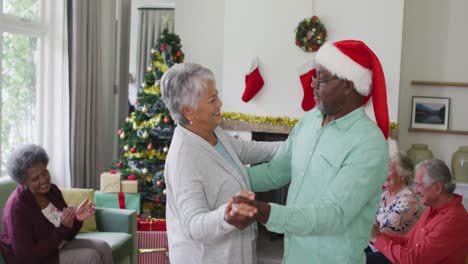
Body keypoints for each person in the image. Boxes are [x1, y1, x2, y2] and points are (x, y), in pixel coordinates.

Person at [225, 40, 390, 263]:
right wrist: (224, 178)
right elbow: (276, 171)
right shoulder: (310, 120)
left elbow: (333, 215)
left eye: (321, 78)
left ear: (348, 85)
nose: (312, 84)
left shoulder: (369, 144)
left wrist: (263, 212)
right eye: (314, 76)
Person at [160, 63, 281, 264]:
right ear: (188, 111)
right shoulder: (185, 157)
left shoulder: (213, 132)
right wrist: (226, 215)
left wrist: (293, 145)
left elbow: (247, 150)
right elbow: (194, 225)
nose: (219, 104)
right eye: (212, 99)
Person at [0, 144, 113, 264]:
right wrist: (62, 230)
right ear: (23, 182)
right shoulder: (17, 208)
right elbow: (26, 257)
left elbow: (67, 235)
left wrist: (76, 219)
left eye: (44, 173)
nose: (43, 180)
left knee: (103, 247)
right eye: (35, 179)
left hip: (56, 246)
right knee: (91, 256)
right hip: (35, 259)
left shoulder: (52, 191)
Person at [370, 159, 468, 264]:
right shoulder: (432, 208)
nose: (415, 190)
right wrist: (377, 235)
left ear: (437, 187)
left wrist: (377, 238)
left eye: (419, 185)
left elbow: (414, 260)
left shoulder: (454, 220)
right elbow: (407, 241)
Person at [365, 152, 422, 263]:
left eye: (389, 168)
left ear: (402, 176)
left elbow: (381, 232)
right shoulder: (385, 194)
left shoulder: (408, 201)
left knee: (352, 259)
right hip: (375, 248)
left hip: (394, 254)